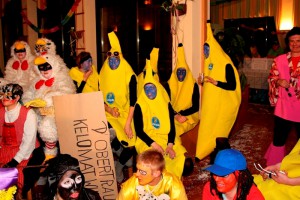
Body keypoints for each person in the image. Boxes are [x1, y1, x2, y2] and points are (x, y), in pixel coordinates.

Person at [133, 60, 192, 179]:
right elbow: (139, 131)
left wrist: (170, 146)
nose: (149, 92)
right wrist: (155, 145)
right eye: (146, 89)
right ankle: (157, 183)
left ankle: (168, 180)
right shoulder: (139, 105)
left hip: (167, 139)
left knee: (187, 164)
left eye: (152, 88)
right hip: (147, 141)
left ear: (157, 88)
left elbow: (171, 128)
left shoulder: (166, 104)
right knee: (153, 163)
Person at [99, 31, 137, 183]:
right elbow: (97, 99)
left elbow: (133, 101)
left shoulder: (130, 75)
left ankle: (118, 166)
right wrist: (109, 109)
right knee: (104, 134)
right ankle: (117, 150)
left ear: (120, 58)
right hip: (107, 114)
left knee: (131, 145)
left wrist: (128, 123)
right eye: (110, 59)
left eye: (116, 59)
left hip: (127, 115)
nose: (113, 62)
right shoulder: (102, 74)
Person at [22, 54, 76, 161]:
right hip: (39, 113)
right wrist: (30, 102)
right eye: (41, 68)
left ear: (54, 65)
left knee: (47, 126)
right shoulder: (36, 81)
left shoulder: (62, 78)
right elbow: (27, 94)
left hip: (59, 114)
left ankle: (50, 154)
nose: (44, 70)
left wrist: (46, 101)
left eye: (47, 67)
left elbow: (66, 93)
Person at [264, 27, 300, 166]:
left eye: (298, 41)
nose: (295, 44)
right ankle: (274, 167)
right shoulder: (279, 59)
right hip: (284, 105)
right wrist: (278, 81)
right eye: (292, 41)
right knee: (279, 137)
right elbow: (271, 77)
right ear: (288, 43)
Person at [0, 83, 40, 196]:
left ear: (17, 97)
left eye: (8, 96)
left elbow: (29, 142)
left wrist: (14, 161)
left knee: (14, 176)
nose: (3, 98)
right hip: (4, 149)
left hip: (23, 152)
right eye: (2, 95)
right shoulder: (1, 112)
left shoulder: (29, 114)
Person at [117, 149, 188, 200]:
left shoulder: (173, 185)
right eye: (137, 169)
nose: (137, 174)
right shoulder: (130, 187)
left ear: (156, 173)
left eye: (142, 172)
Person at [165, 43, 199, 137]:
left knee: (175, 129)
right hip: (172, 114)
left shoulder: (193, 84)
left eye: (183, 71)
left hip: (189, 115)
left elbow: (195, 107)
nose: (180, 74)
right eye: (178, 71)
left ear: (187, 73)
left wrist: (180, 114)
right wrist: (175, 115)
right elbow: (166, 102)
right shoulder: (170, 84)